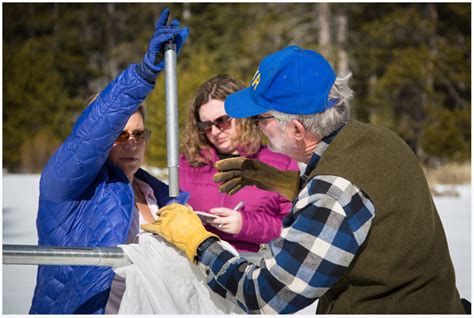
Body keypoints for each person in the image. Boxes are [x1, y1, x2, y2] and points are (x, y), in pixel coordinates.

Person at [141, 45, 466, 314]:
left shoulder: (334, 189)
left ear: (296, 129)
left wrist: (199, 243)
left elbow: (266, 295)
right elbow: (364, 209)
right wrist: (285, 183)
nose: (255, 127)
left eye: (259, 118)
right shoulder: (379, 140)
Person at [29, 8, 189, 314]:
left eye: (139, 134)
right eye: (119, 135)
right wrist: (143, 75)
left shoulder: (161, 194)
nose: (131, 143)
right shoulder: (66, 187)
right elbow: (90, 136)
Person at [179, 74, 299, 253]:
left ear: (242, 116)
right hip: (198, 265)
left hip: (254, 267)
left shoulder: (281, 163)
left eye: (222, 121)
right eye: (205, 125)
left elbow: (295, 230)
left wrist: (245, 224)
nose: (214, 131)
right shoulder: (187, 163)